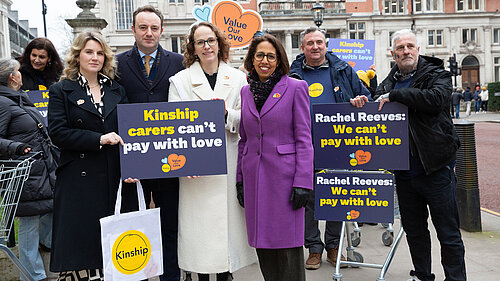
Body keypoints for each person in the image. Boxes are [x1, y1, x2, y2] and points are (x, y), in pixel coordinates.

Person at [168, 22, 257, 281]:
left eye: (210, 41)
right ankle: (200, 274)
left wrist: (228, 114)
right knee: (200, 232)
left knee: (227, 231)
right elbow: (174, 125)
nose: (206, 46)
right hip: (196, 169)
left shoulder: (239, 78)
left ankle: (226, 273)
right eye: (200, 42)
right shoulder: (180, 81)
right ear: (193, 49)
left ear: (219, 44)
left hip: (228, 163)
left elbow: (248, 119)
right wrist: (186, 163)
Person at [375, 29, 466, 281]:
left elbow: (436, 99)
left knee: (448, 233)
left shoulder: (437, 74)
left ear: (417, 49)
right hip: (404, 172)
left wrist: (395, 96)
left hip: (436, 168)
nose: (405, 51)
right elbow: (376, 103)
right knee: (415, 232)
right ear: (393, 54)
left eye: (410, 46)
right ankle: (423, 276)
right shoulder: (390, 79)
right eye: (400, 48)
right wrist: (366, 101)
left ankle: (456, 279)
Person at [47, 31, 129, 280]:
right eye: (89, 52)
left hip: (112, 177)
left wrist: (134, 167)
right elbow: (58, 133)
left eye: (100, 53)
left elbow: (131, 131)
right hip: (78, 182)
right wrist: (98, 139)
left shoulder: (117, 90)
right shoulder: (61, 90)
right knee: (82, 247)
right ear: (78, 55)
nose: (95, 57)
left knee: (112, 247)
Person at [289, 26, 371, 270]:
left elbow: (366, 97)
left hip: (338, 145)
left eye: (319, 42)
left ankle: (334, 247)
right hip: (304, 146)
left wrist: (358, 101)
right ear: (302, 47)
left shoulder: (344, 70)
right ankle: (314, 249)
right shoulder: (291, 74)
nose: (315, 46)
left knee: (337, 197)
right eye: (310, 43)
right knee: (308, 199)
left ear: (326, 45)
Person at [236, 33, 314, 281]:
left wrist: (304, 182)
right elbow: (244, 139)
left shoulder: (295, 87)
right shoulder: (246, 92)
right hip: (255, 181)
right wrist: (240, 179)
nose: (265, 61)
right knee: (264, 245)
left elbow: (304, 138)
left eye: (271, 56)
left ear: (279, 60)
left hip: (285, 181)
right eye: (260, 55)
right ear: (252, 59)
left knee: (287, 248)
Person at [115, 5, 184, 281]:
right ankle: (137, 275)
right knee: (136, 222)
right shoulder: (117, 63)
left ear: (162, 31)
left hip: (169, 158)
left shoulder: (178, 61)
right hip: (134, 158)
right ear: (133, 30)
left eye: (154, 28)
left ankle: (171, 276)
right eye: (143, 27)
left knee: (170, 223)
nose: (149, 33)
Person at [0, 58, 57, 281]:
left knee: (51, 209)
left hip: (40, 169)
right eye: (18, 71)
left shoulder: (18, 98)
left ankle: (46, 247)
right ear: (13, 77)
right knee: (29, 222)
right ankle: (32, 275)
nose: (21, 73)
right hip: (23, 172)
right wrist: (18, 148)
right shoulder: (4, 103)